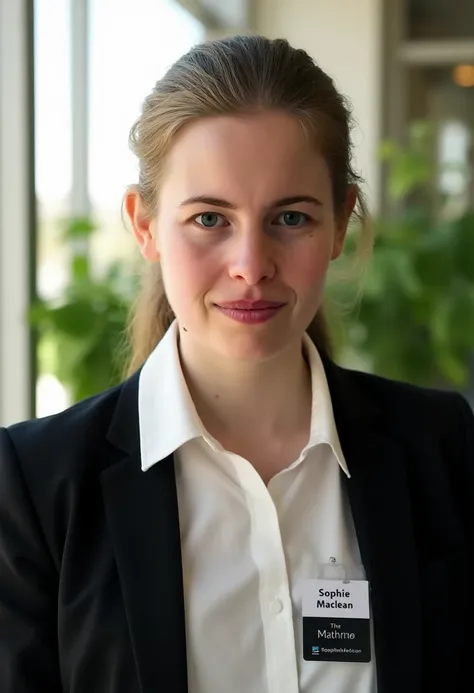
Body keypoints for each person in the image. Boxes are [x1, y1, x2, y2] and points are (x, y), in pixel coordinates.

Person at [0, 34, 472, 693]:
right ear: (144, 225)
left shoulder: (443, 449)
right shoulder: (35, 484)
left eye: (290, 216)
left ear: (340, 222)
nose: (251, 265)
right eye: (209, 218)